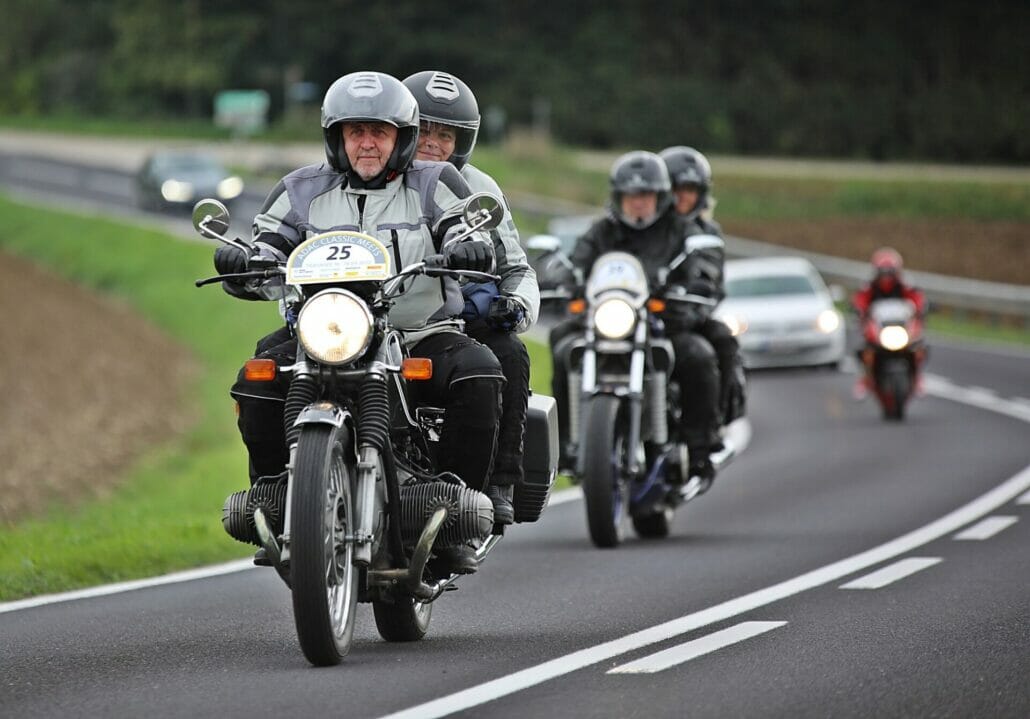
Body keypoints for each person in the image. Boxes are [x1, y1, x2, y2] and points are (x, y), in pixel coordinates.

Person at [215, 71, 504, 574]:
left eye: (379, 131)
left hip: (418, 333)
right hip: (323, 332)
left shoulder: (436, 183)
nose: (366, 143)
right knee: (256, 379)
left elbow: (459, 222)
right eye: (355, 131)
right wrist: (243, 263)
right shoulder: (299, 190)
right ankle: (278, 501)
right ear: (336, 138)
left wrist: (464, 246)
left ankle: (458, 513)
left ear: (401, 138)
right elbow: (267, 246)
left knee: (480, 371)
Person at [402, 70, 540, 525]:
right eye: (423, 129)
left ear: (463, 142)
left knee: (509, 354)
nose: (433, 143)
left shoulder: (481, 187)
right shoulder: (375, 176)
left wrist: (514, 305)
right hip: (382, 313)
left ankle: (499, 481)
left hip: (463, 317)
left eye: (446, 134)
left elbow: (515, 266)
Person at [549, 150, 724, 487]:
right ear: (618, 197)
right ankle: (566, 443)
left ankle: (699, 445)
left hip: (662, 321)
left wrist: (691, 290)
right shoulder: (602, 230)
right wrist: (562, 279)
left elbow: (702, 270)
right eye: (631, 195)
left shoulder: (680, 231)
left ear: (659, 197)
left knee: (698, 354)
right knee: (562, 344)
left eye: (645, 195)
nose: (638, 203)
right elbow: (575, 263)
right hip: (605, 318)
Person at [660, 146, 746, 429]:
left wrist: (690, 311)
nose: (682, 196)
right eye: (675, 188)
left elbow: (711, 282)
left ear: (701, 193)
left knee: (717, 344)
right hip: (636, 313)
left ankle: (706, 434)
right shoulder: (642, 226)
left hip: (684, 319)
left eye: (690, 189)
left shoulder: (707, 234)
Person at [851, 247, 927, 399]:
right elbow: (860, 299)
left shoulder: (905, 284)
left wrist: (919, 309)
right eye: (883, 272)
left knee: (917, 348)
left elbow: (917, 298)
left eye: (890, 272)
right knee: (867, 351)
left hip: (900, 326)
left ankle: (917, 378)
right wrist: (860, 310)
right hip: (879, 328)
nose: (886, 277)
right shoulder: (870, 286)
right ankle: (865, 380)